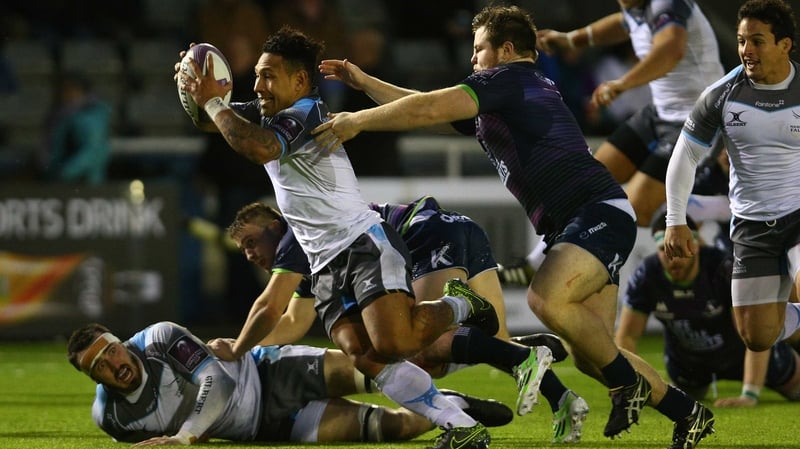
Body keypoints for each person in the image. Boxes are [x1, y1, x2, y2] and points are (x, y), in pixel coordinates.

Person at [310, 5, 714, 448]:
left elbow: (426, 108)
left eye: (479, 48)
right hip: (583, 220)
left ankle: (626, 384)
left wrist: (356, 121)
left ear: (506, 50)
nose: (472, 59)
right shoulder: (508, 89)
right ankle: (687, 414)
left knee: (546, 299)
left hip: (595, 212)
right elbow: (428, 107)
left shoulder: (507, 79)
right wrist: (366, 84)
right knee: (590, 355)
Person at [175, 26, 547, 448]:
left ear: (299, 81)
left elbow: (257, 147)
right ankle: (459, 426)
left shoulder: (306, 113)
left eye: (267, 76)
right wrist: (193, 85)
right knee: (365, 356)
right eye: (257, 76)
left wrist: (212, 99)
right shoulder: (270, 113)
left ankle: (463, 303)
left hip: (362, 243)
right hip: (325, 263)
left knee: (397, 342)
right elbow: (213, 123)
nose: (258, 85)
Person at [211, 198, 586, 443]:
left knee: (416, 343)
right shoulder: (312, 252)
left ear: (274, 227)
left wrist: (237, 347)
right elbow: (294, 321)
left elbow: (270, 308)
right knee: (494, 340)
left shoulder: (297, 234)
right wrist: (246, 353)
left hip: (424, 233)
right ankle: (564, 400)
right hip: (452, 227)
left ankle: (467, 314)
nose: (248, 255)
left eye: (250, 243)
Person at [506, 0, 726, 290]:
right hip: (658, 114)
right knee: (584, 179)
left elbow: (672, 47)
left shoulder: (666, 3)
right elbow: (620, 25)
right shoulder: (636, 9)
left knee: (637, 207)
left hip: (697, 122)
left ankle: (706, 221)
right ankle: (536, 263)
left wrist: (621, 84)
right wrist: (570, 39)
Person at [67, 321, 513, 445]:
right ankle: (453, 405)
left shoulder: (160, 339)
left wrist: (185, 436)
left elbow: (217, 386)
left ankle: (493, 349)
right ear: (94, 380)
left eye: (111, 352)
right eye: (99, 368)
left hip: (271, 371)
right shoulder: (112, 419)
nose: (113, 365)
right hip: (268, 429)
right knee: (390, 428)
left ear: (121, 342)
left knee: (379, 368)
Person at [664, 0, 800, 366]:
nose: (746, 51)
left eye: (757, 41)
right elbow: (685, 156)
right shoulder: (721, 95)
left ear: (785, 44)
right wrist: (675, 220)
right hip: (753, 228)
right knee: (756, 337)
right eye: (741, 41)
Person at [617, 212, 800, 407]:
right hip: (688, 366)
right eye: (664, 249)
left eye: (678, 249)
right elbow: (626, 336)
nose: (673, 257)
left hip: (740, 354)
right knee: (683, 397)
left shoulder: (723, 268)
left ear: (695, 246)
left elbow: (754, 329)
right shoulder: (647, 276)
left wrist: (749, 394)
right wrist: (631, 386)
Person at [37, 71, 112, 185]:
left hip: (83, 184)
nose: (65, 94)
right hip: (61, 180)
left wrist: (64, 173)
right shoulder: (62, 114)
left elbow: (94, 152)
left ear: (81, 90)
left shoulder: (89, 115)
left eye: (70, 89)